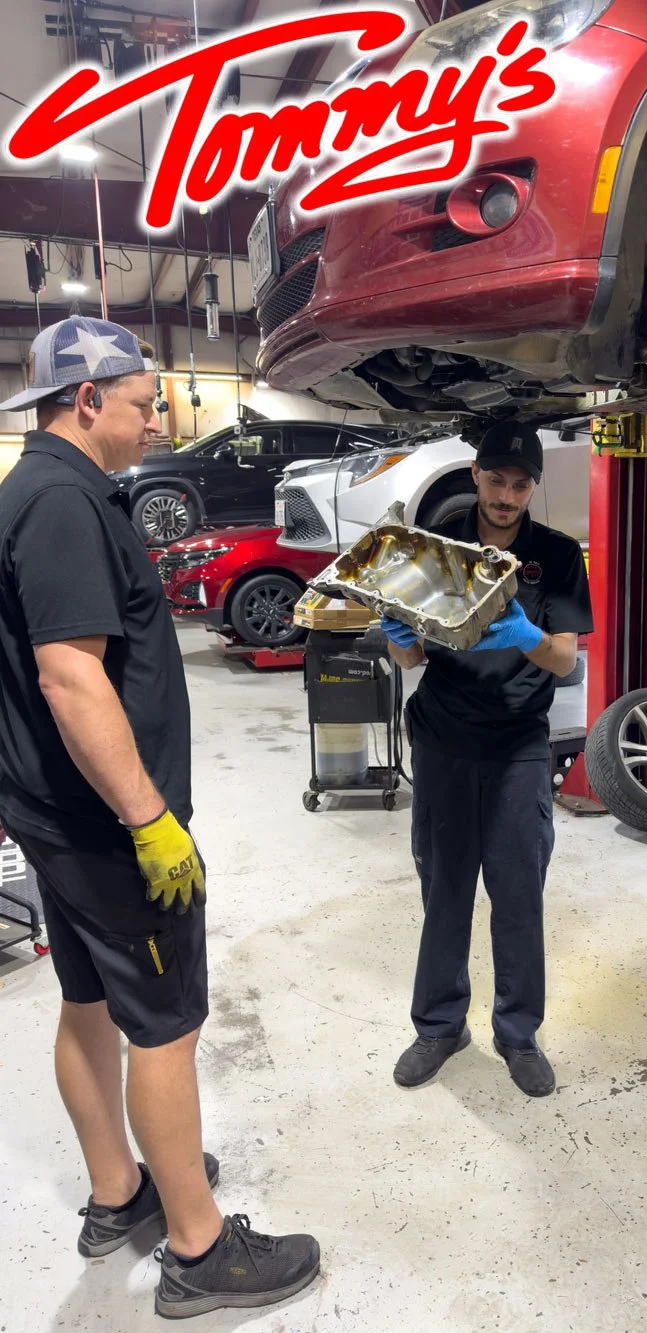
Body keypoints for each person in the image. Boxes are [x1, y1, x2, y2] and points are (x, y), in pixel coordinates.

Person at [0, 317, 320, 1319]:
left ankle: (118, 1191)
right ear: (85, 400)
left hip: (56, 815)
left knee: (90, 1003)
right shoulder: (58, 502)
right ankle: (198, 1248)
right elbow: (69, 674)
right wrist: (147, 817)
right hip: (102, 826)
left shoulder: (43, 489)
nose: (158, 421)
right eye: (144, 404)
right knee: (167, 1027)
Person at [383, 423, 593, 1097]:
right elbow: (412, 656)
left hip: (518, 748)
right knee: (443, 891)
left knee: (518, 896)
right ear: (475, 474)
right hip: (444, 740)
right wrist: (398, 638)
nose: (506, 496)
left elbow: (565, 658)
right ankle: (441, 1024)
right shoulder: (438, 549)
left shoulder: (556, 556)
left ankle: (518, 1031)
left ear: (534, 486)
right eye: (496, 480)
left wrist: (526, 634)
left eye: (520, 484)